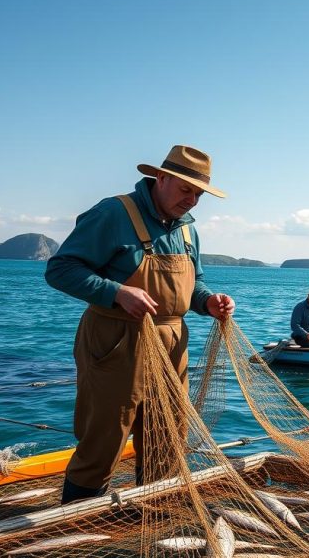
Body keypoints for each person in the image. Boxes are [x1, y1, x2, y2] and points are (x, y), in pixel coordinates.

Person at [45, 144, 236, 504]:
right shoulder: (113, 213)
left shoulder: (187, 230)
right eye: (185, 190)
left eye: (198, 194)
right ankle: (77, 522)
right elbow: (60, 270)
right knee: (105, 436)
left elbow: (195, 282)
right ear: (160, 178)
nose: (192, 200)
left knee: (167, 433)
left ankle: (153, 514)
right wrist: (117, 292)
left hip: (172, 344)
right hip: (116, 340)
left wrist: (208, 301)